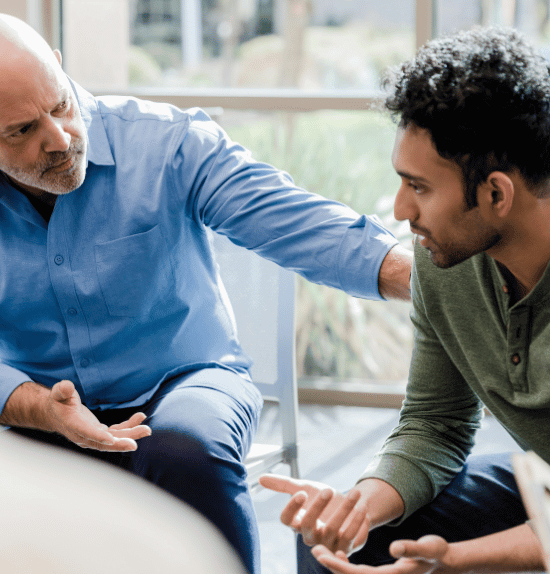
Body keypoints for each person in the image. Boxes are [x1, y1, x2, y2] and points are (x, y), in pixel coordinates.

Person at [0, 14, 412, 574]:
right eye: (22, 131)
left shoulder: (165, 142)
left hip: (185, 378)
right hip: (35, 402)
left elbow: (288, 219)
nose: (59, 139)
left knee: (183, 449)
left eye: (61, 105)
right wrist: (37, 409)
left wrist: (417, 276)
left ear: (59, 63)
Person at [260, 25, 550, 574]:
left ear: (495, 194)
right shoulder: (447, 265)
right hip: (541, 483)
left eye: (418, 187)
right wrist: (358, 507)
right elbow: (435, 423)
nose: (399, 210)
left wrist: (453, 560)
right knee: (333, 545)